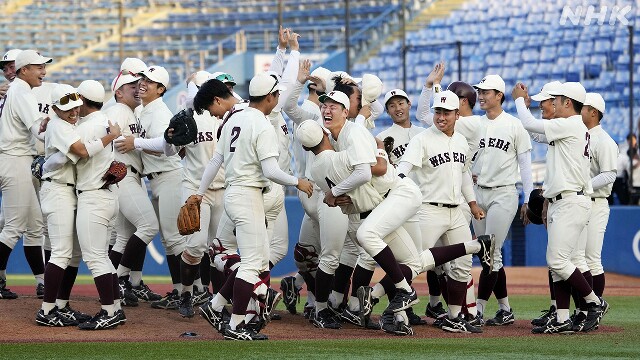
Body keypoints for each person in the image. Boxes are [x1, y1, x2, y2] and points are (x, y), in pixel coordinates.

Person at [197, 72, 312, 341]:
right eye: (276, 96)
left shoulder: (234, 117)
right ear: (271, 97)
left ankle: (214, 307)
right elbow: (271, 170)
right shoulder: (262, 123)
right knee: (251, 265)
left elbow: (215, 162)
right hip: (249, 195)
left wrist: (199, 193)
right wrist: (299, 181)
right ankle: (236, 324)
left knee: (256, 260)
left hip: (234, 193)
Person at [513, 81, 603, 334]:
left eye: (557, 100)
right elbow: (534, 132)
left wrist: (520, 101)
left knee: (557, 259)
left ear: (567, 103)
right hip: (564, 200)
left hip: (571, 201)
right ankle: (562, 318)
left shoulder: (571, 123)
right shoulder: (570, 127)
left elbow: (530, 124)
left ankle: (594, 303)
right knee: (560, 262)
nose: (553, 104)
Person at [396, 90, 487, 333]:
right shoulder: (422, 139)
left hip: (457, 211)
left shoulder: (460, 141)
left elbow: (465, 174)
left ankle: (454, 315)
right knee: (414, 262)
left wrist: (472, 203)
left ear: (458, 114)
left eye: (447, 112)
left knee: (462, 265)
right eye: (438, 111)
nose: (441, 117)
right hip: (428, 210)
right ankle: (398, 314)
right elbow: (403, 169)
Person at [36, 83, 119, 327]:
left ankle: (60, 305)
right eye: (67, 108)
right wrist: (111, 136)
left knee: (71, 255)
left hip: (70, 191)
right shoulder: (60, 124)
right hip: (58, 190)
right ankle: (47, 310)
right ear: (55, 109)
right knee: (62, 253)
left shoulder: (65, 123)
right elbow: (81, 151)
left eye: (75, 105)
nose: (73, 111)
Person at [115, 65, 186, 310]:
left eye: (151, 81)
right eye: (143, 78)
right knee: (169, 240)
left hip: (168, 176)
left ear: (161, 89)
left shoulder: (160, 112)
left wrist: (136, 143)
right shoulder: (145, 110)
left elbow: (167, 146)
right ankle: (180, 291)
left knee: (174, 240)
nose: (144, 83)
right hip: (156, 179)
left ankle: (185, 292)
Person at [469, 74, 533, 326]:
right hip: (478, 192)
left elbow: (525, 165)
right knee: (487, 256)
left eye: (487, 92)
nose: (481, 96)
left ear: (499, 96)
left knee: (491, 253)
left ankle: (479, 309)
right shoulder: (474, 124)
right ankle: (505, 309)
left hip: (504, 193)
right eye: (480, 92)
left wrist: (528, 199)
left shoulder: (514, 125)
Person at [106, 71, 162, 305]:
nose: (137, 88)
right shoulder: (117, 110)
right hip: (123, 175)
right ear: (118, 92)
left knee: (123, 238)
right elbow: (110, 137)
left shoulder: (130, 112)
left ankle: (111, 285)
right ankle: (117, 280)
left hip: (130, 175)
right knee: (149, 226)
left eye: (138, 84)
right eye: (131, 85)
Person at [74, 80, 125, 330]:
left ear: (83, 100)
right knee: (102, 256)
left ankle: (108, 311)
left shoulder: (88, 125)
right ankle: (115, 308)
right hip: (108, 195)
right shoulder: (107, 122)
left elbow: (74, 155)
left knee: (95, 258)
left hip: (93, 195)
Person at [0, 50, 51, 299]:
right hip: (16, 159)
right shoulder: (21, 92)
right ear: (23, 70)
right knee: (14, 227)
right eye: (38, 67)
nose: (43, 71)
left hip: (14, 159)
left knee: (35, 223)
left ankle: (43, 281)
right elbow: (39, 131)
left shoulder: (16, 90)